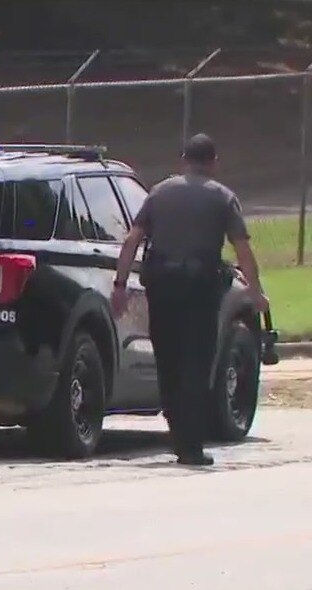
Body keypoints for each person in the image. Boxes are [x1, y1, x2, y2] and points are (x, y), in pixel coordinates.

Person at [111, 134, 269, 466]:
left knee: (168, 361)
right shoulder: (223, 198)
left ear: (183, 160)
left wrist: (120, 285)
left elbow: (131, 240)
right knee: (196, 364)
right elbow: (242, 249)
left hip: (162, 288)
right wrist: (255, 292)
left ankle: (178, 435)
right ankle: (191, 446)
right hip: (200, 291)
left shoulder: (159, 193)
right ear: (213, 162)